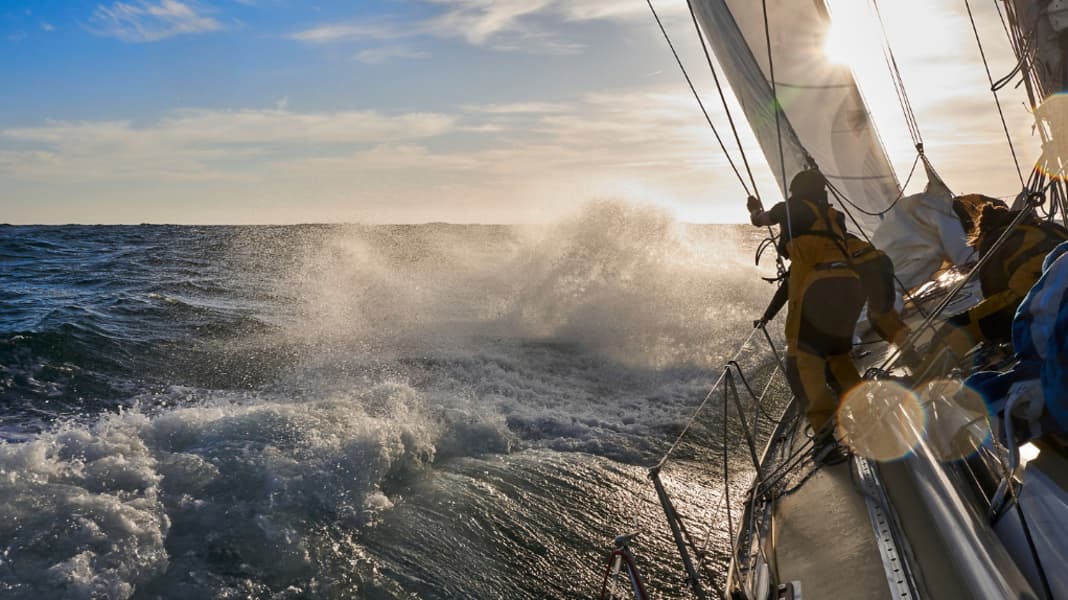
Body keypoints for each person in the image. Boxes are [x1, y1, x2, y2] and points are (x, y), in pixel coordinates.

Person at [749, 168, 864, 461]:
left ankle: (825, 440)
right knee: (838, 357)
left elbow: (760, 221)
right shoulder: (834, 217)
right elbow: (790, 282)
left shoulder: (789, 208)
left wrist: (754, 208)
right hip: (851, 286)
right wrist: (768, 315)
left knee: (803, 364)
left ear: (796, 191)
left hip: (818, 288)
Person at [923, 203, 1068, 373]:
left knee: (961, 325)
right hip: (1059, 289)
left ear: (982, 232)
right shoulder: (1046, 227)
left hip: (1032, 295)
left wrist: (994, 331)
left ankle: (922, 377)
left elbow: (992, 290)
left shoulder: (995, 238)